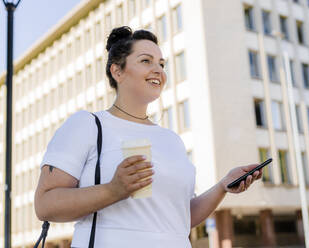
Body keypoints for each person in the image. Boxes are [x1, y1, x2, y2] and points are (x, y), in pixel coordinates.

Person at [34, 26, 263, 248]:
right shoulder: (88, 125)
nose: (159, 70)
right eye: (146, 61)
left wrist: (222, 186)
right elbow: (44, 205)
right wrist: (113, 190)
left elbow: (178, 218)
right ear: (117, 71)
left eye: (161, 64)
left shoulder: (172, 140)